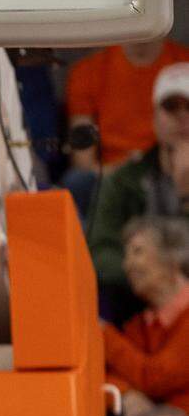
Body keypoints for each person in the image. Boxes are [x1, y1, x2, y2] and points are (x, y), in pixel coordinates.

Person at [88, 64, 189, 316]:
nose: (183, 117)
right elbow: (99, 252)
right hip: (135, 303)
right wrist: (142, 271)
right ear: (155, 117)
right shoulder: (122, 180)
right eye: (171, 107)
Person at [103, 217, 189, 416]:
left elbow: (155, 378)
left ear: (172, 257)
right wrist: (125, 393)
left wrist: (103, 334)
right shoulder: (140, 325)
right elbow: (102, 375)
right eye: (126, 256)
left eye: (137, 252)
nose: (127, 265)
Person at [66, 38, 189, 170]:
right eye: (171, 107)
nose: (181, 114)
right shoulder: (88, 72)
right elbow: (84, 164)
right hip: (111, 171)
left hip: (172, 165)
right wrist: (126, 173)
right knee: (79, 179)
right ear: (154, 116)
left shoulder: (183, 61)